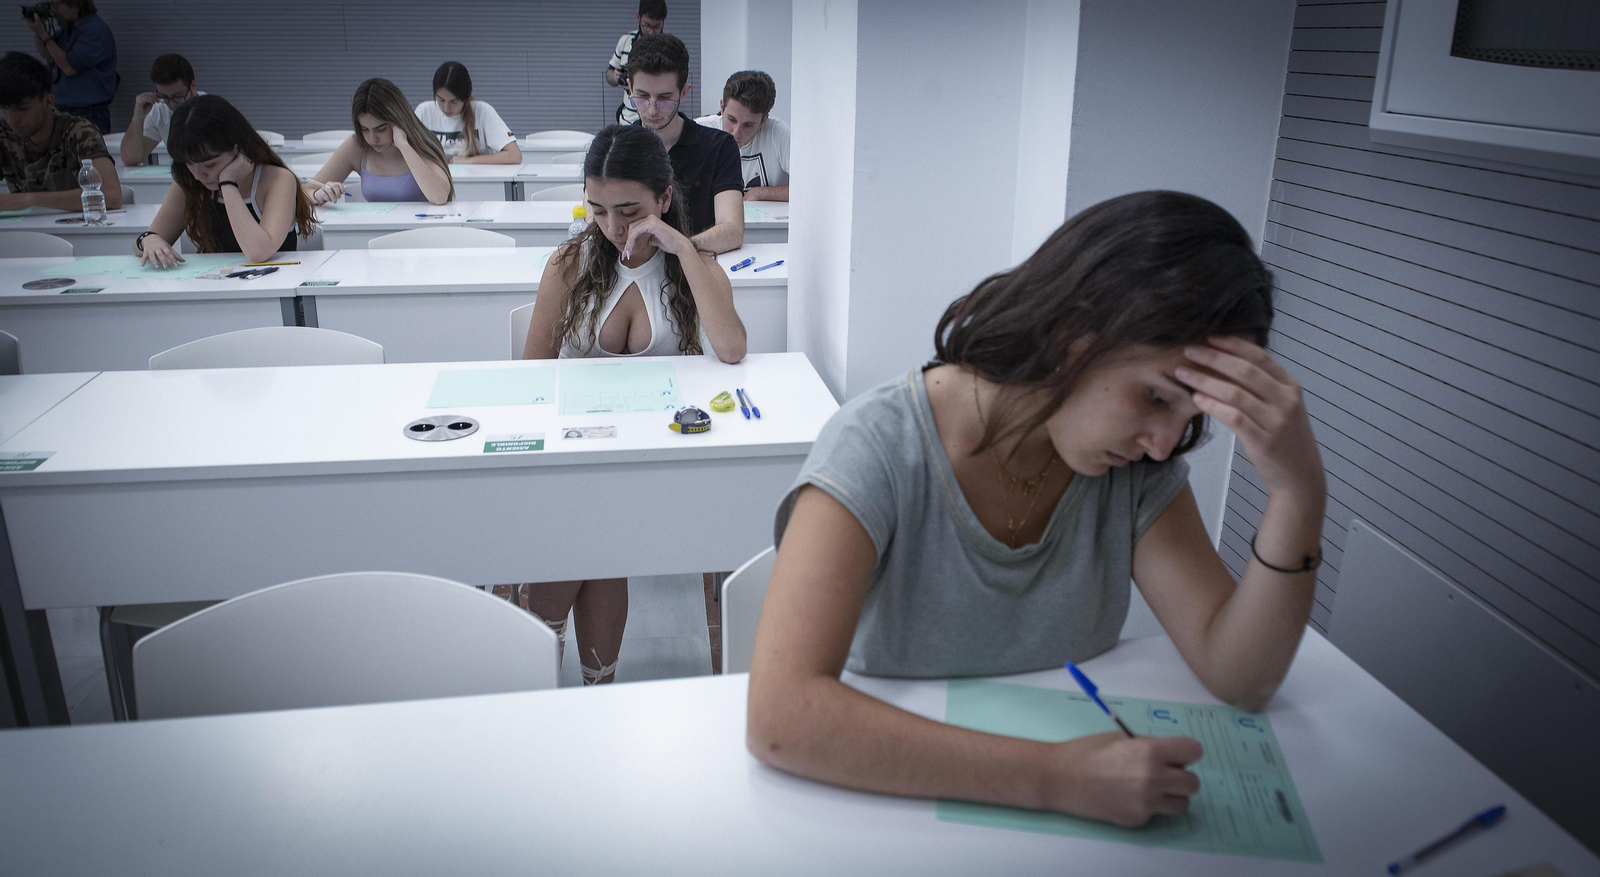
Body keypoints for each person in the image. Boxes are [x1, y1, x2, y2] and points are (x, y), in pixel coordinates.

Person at [746, 191, 1328, 829]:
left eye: (1189, 419)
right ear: (1074, 333)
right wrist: (1056, 778)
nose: (1164, 444)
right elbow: (782, 717)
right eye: (1157, 397)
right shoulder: (879, 445)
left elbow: (1241, 677)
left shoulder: (1132, 470)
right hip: (877, 814)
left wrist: (1299, 495)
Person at [519, 123, 746, 684]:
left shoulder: (693, 263)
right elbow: (531, 376)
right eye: (597, 210)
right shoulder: (569, 265)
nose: (612, 226)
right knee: (591, 535)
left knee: (588, 532)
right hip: (578, 454)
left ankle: (542, 671)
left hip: (655, 460)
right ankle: (585, 681)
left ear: (663, 199)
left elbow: (733, 348)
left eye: (628, 210)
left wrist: (682, 248)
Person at [132, 95, 315, 267]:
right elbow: (142, 243)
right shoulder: (188, 181)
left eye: (210, 165)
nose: (198, 174)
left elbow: (258, 252)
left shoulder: (278, 179)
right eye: (189, 163)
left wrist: (227, 183)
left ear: (238, 149)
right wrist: (148, 240)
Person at [626, 33, 744, 254]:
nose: (651, 110)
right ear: (629, 87)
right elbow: (593, 217)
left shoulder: (719, 147)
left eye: (664, 99)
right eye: (641, 97)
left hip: (697, 270)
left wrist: (677, 249)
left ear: (684, 93)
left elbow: (732, 230)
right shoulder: (616, 148)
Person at [0, 50, 120, 212]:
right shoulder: (4, 134)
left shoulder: (78, 131)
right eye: (4, 109)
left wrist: (29, 199)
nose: (12, 119)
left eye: (22, 109)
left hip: (77, 230)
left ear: (48, 102)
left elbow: (111, 195)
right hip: (26, 230)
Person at [302, 78, 452, 206]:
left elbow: (439, 197)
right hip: (375, 236)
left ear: (398, 121)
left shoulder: (420, 142)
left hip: (425, 234)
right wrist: (318, 194)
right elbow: (305, 193)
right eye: (365, 129)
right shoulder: (356, 146)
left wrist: (404, 146)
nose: (372, 138)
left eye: (381, 129)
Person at [23, 0, 115, 133]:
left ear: (76, 4)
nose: (53, 11)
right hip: (62, 111)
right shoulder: (69, 30)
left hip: (87, 114)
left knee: (87, 154)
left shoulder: (94, 29)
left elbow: (69, 67)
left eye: (56, 5)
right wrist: (39, 31)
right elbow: (47, 53)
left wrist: (44, 35)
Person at [696, 70, 790, 202]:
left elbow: (809, 187)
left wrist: (759, 193)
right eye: (731, 119)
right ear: (722, 107)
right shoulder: (699, 131)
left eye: (748, 125)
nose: (736, 133)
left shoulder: (778, 133)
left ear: (763, 121)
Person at [415, 61, 522, 166]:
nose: (446, 107)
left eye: (454, 101)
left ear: (465, 98)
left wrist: (468, 161)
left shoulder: (482, 111)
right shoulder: (424, 111)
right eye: (441, 100)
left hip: (474, 180)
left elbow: (514, 155)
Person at [120, 53, 203, 168]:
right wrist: (138, 118)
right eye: (165, 97)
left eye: (177, 96)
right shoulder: (159, 110)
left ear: (193, 85)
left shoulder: (214, 109)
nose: (171, 103)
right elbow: (131, 159)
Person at [605, 0, 667, 125]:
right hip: (627, 121)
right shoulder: (625, 41)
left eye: (656, 27)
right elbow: (609, 74)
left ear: (663, 21)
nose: (651, 32)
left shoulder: (668, 47)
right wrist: (616, 76)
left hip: (656, 122)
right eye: (647, 25)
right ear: (638, 18)